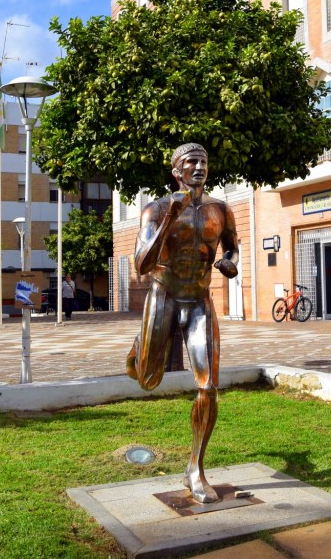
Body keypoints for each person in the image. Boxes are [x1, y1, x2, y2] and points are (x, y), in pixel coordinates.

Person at [125, 142, 239, 504]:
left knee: (209, 387)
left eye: (203, 161)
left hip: (199, 298)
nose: (199, 167)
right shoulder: (156, 209)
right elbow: (142, 264)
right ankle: (140, 350)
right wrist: (170, 218)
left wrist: (230, 262)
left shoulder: (220, 210)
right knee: (148, 379)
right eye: (191, 162)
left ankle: (195, 469)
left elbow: (232, 247)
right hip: (164, 294)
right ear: (177, 171)